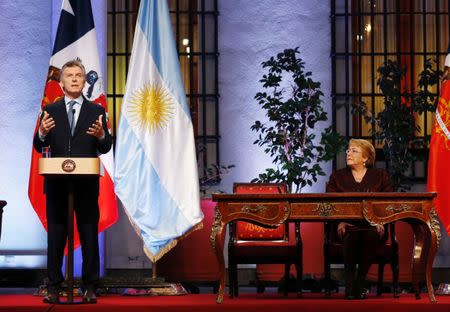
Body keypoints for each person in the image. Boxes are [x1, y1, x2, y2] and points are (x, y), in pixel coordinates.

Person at [33, 60, 112, 304]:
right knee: (56, 234)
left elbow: (106, 146)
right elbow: (40, 145)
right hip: (57, 183)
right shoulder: (51, 111)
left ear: (84, 80)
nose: (75, 79)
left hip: (86, 184)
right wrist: (42, 133)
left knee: (89, 233)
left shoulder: (97, 111)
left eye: (79, 75)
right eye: (70, 75)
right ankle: (54, 286)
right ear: (62, 82)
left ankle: (90, 286)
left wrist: (101, 136)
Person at [326, 139, 392, 299]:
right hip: (346, 225)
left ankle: (359, 281)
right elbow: (330, 203)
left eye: (354, 151)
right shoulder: (337, 176)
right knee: (352, 233)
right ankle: (350, 284)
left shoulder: (380, 176)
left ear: (365, 158)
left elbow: (387, 202)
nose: (348, 153)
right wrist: (340, 221)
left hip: (373, 225)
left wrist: (379, 221)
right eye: (348, 150)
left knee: (370, 234)